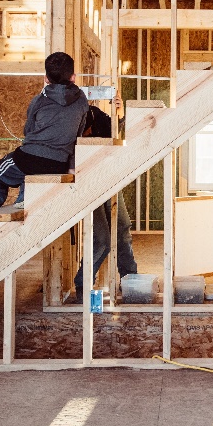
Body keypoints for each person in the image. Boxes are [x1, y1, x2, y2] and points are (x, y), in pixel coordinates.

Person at [0, 52, 89, 242]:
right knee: (28, 177)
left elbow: (28, 131)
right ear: (73, 77)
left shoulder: (40, 99)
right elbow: (77, 137)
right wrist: (70, 166)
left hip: (30, 158)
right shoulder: (82, 101)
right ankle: (23, 200)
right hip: (58, 164)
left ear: (46, 78)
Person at [70, 104, 138, 303]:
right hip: (84, 184)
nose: (87, 132)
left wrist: (120, 115)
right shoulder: (66, 124)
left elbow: (118, 132)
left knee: (122, 227)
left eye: (88, 128)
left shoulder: (94, 114)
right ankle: (83, 283)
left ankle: (130, 278)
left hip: (106, 179)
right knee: (102, 240)